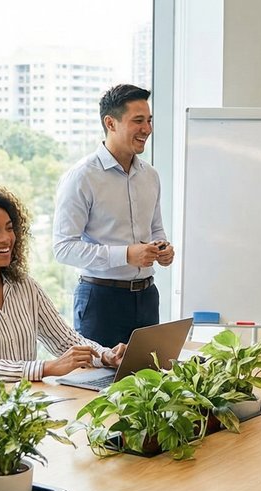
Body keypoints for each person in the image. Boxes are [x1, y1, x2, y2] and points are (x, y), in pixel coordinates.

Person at [0, 185, 125, 382]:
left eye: (9, 228)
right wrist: (46, 368)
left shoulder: (25, 286)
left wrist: (106, 356)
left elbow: (65, 340)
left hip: (25, 399)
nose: (6, 238)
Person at [52, 83, 173, 347]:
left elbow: (155, 229)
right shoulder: (82, 177)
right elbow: (63, 248)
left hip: (147, 297)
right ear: (111, 123)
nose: (147, 129)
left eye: (149, 120)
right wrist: (126, 255)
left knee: (150, 373)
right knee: (99, 374)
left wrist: (163, 249)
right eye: (138, 121)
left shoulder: (150, 176)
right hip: (101, 301)